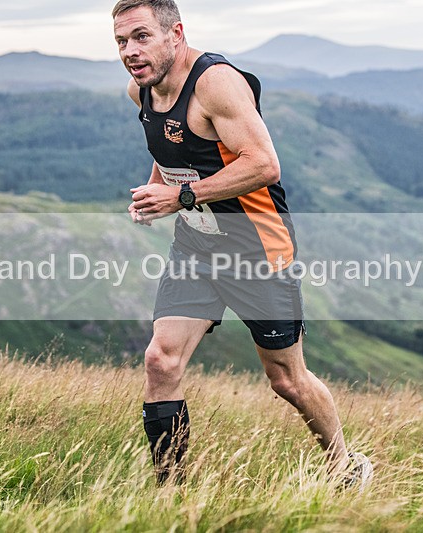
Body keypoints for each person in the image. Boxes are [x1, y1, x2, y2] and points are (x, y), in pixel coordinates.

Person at [111, 0, 372, 490]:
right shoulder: (140, 91)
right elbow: (169, 151)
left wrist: (181, 196)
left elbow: (264, 165)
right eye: (122, 41)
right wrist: (155, 192)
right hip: (196, 246)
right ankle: (171, 493)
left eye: (141, 37)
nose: (130, 51)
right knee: (160, 360)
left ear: (176, 34)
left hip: (259, 248)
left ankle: (344, 465)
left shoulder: (216, 82)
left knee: (286, 380)